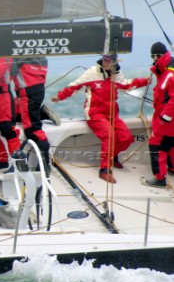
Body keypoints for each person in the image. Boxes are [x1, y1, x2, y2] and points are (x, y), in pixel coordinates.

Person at [51, 54, 151, 183]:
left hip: (112, 114)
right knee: (109, 136)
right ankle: (104, 170)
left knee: (127, 138)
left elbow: (126, 85)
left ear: (115, 62)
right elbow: (74, 86)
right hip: (95, 113)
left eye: (109, 61)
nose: (106, 63)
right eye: (105, 60)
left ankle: (113, 158)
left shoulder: (117, 74)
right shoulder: (92, 72)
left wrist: (144, 81)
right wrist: (59, 97)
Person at [12, 57, 59, 172]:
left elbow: (7, 74)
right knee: (13, 115)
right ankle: (41, 112)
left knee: (32, 130)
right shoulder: (41, 57)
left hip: (27, 96)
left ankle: (44, 164)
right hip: (37, 92)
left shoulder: (17, 57)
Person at [143, 42, 174, 188]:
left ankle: (160, 178)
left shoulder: (169, 74)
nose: (154, 59)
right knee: (170, 143)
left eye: (156, 56)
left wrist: (164, 118)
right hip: (166, 116)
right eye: (153, 56)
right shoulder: (163, 71)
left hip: (167, 118)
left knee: (157, 144)